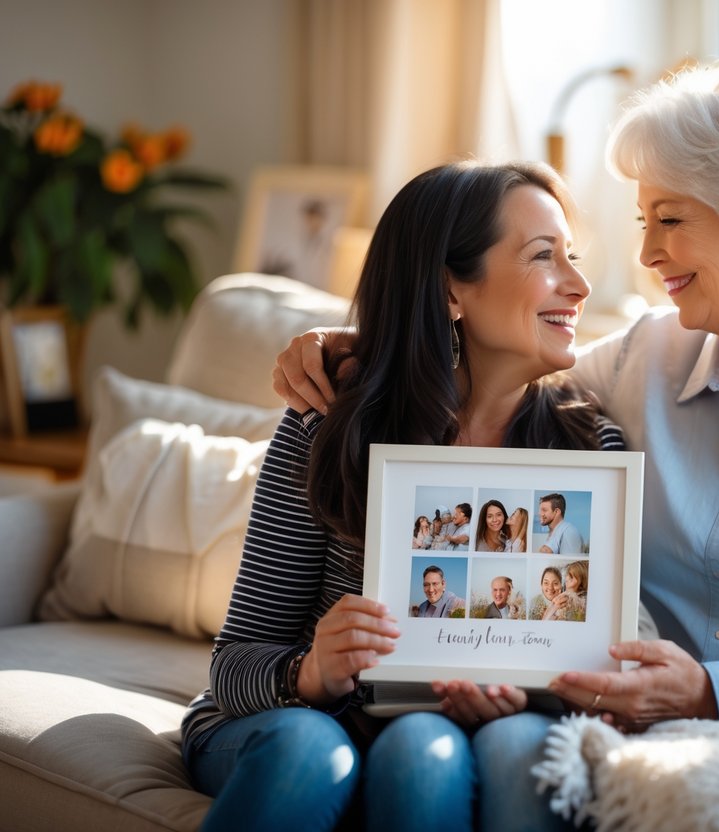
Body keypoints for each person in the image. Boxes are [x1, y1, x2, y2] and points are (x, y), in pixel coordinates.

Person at [276, 57, 719, 778]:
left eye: (670, 219)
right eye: (642, 220)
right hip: (619, 731)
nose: (647, 253)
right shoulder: (640, 358)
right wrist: (365, 348)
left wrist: (712, 693)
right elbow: (499, 368)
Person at [182, 160, 627, 832]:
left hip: (444, 739)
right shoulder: (329, 423)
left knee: (433, 752)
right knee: (309, 749)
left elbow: (601, 681)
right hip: (301, 723)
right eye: (544, 256)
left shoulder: (592, 452)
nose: (579, 284)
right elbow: (234, 667)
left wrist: (527, 699)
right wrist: (311, 671)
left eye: (573, 256)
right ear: (451, 288)